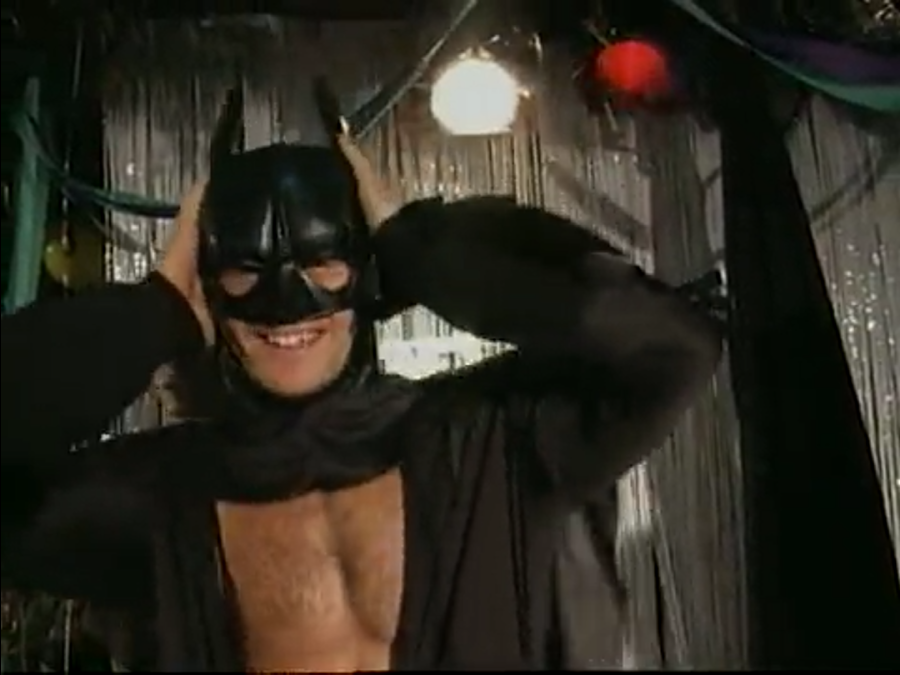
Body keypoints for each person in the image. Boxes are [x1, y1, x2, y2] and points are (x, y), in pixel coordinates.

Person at [0, 120, 723, 670]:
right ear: (210, 287)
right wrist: (156, 311)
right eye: (247, 271)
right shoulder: (163, 494)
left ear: (365, 270)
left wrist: (423, 249)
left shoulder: (488, 440)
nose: (288, 301)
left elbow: (673, 348)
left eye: (322, 262)